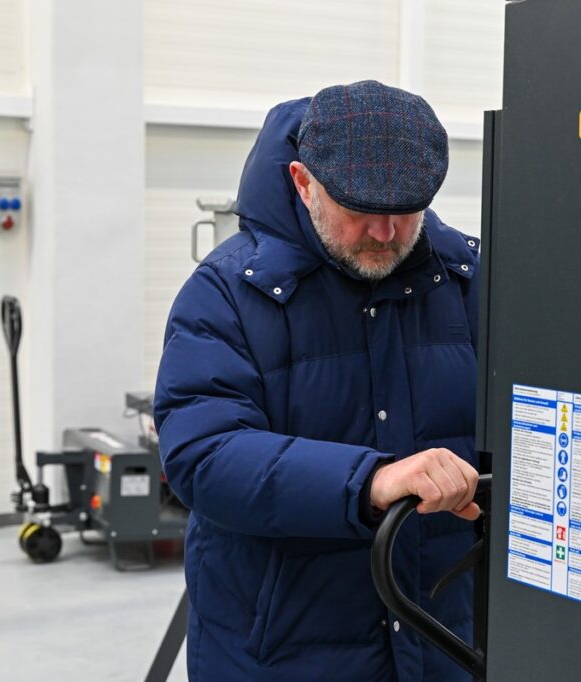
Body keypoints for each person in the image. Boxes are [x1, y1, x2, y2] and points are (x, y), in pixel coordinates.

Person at [154, 80, 481, 681]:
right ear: (304, 183)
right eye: (361, 212)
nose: (386, 235)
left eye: (406, 212)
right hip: (285, 654)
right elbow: (202, 457)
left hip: (444, 644)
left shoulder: (466, 280)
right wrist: (368, 481)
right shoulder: (226, 292)